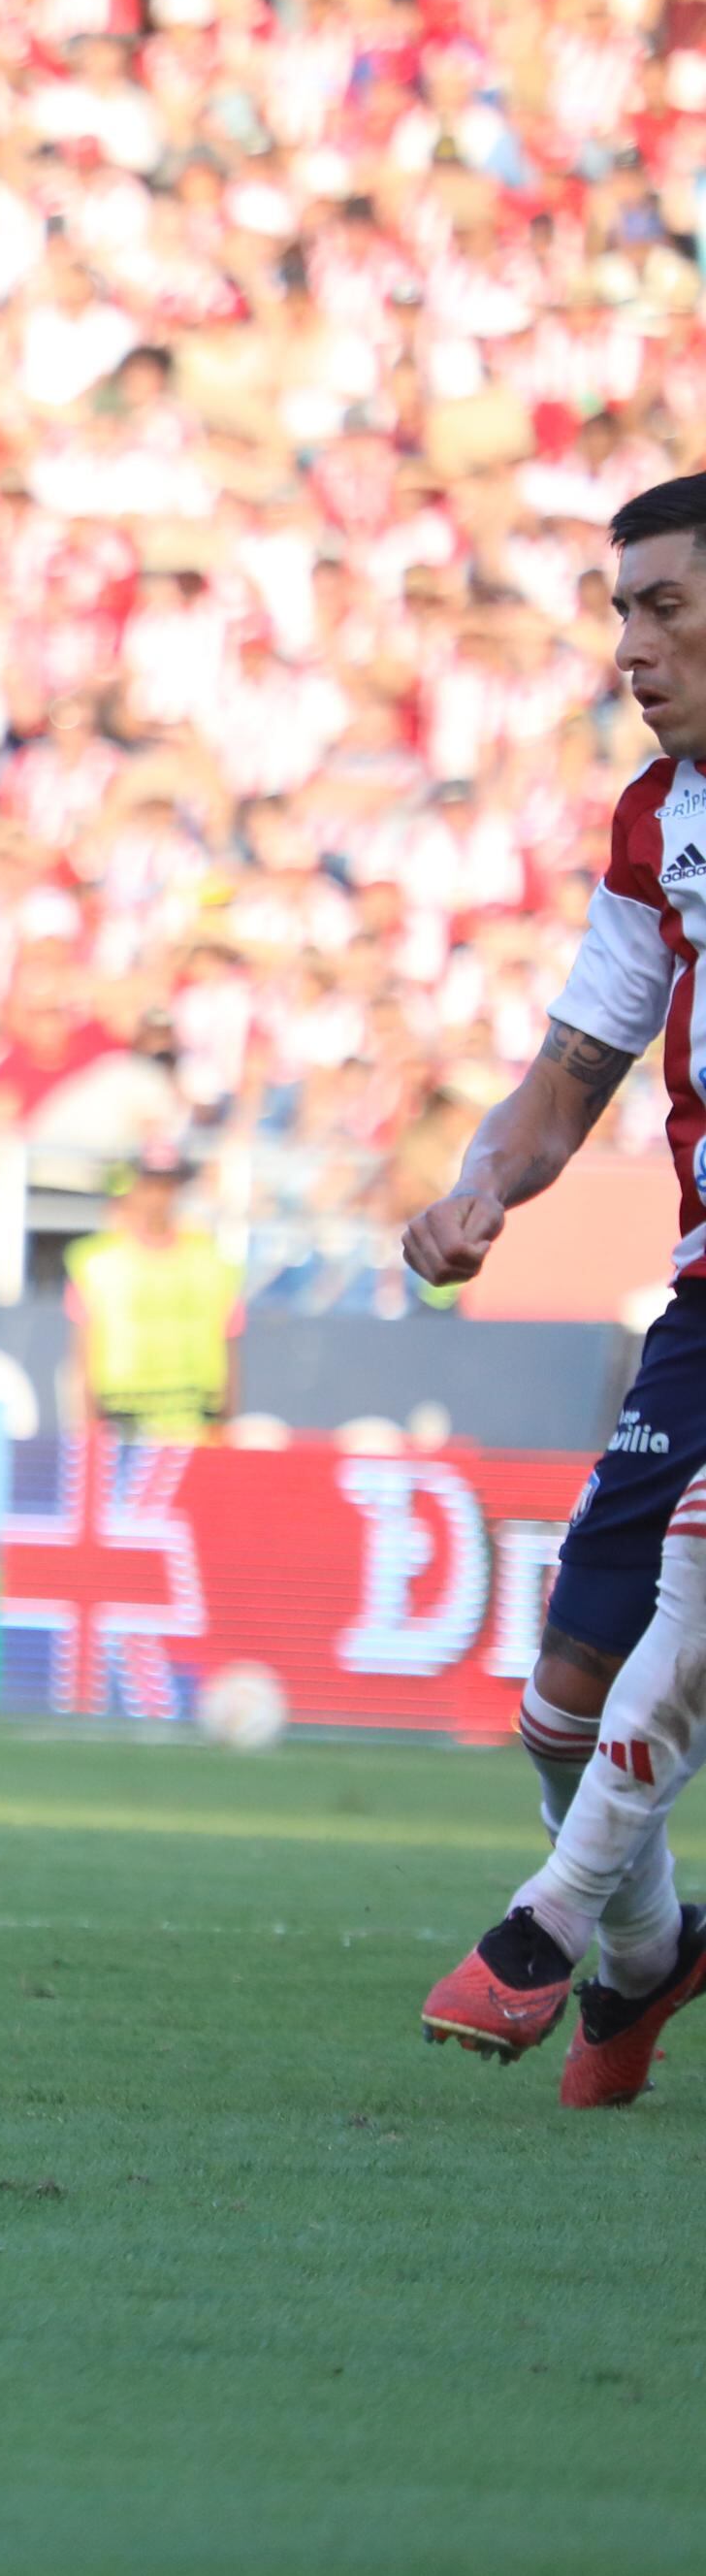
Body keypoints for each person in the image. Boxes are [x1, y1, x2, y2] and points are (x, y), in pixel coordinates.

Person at [411, 473, 706, 2102]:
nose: (630, 645)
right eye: (619, 610)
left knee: (695, 1583)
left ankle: (545, 1928)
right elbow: (578, 1062)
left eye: (663, 604)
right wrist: (480, 1190)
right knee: (564, 1699)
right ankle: (654, 1954)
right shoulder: (660, 820)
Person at [62, 1145, 236, 1444]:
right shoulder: (95, 1262)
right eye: (150, 1186)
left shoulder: (212, 1262)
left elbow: (229, 1350)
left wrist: (225, 1427)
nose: (159, 1196)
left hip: (197, 1420)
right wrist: (90, 1432)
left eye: (168, 1186)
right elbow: (81, 1360)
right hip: (123, 1422)